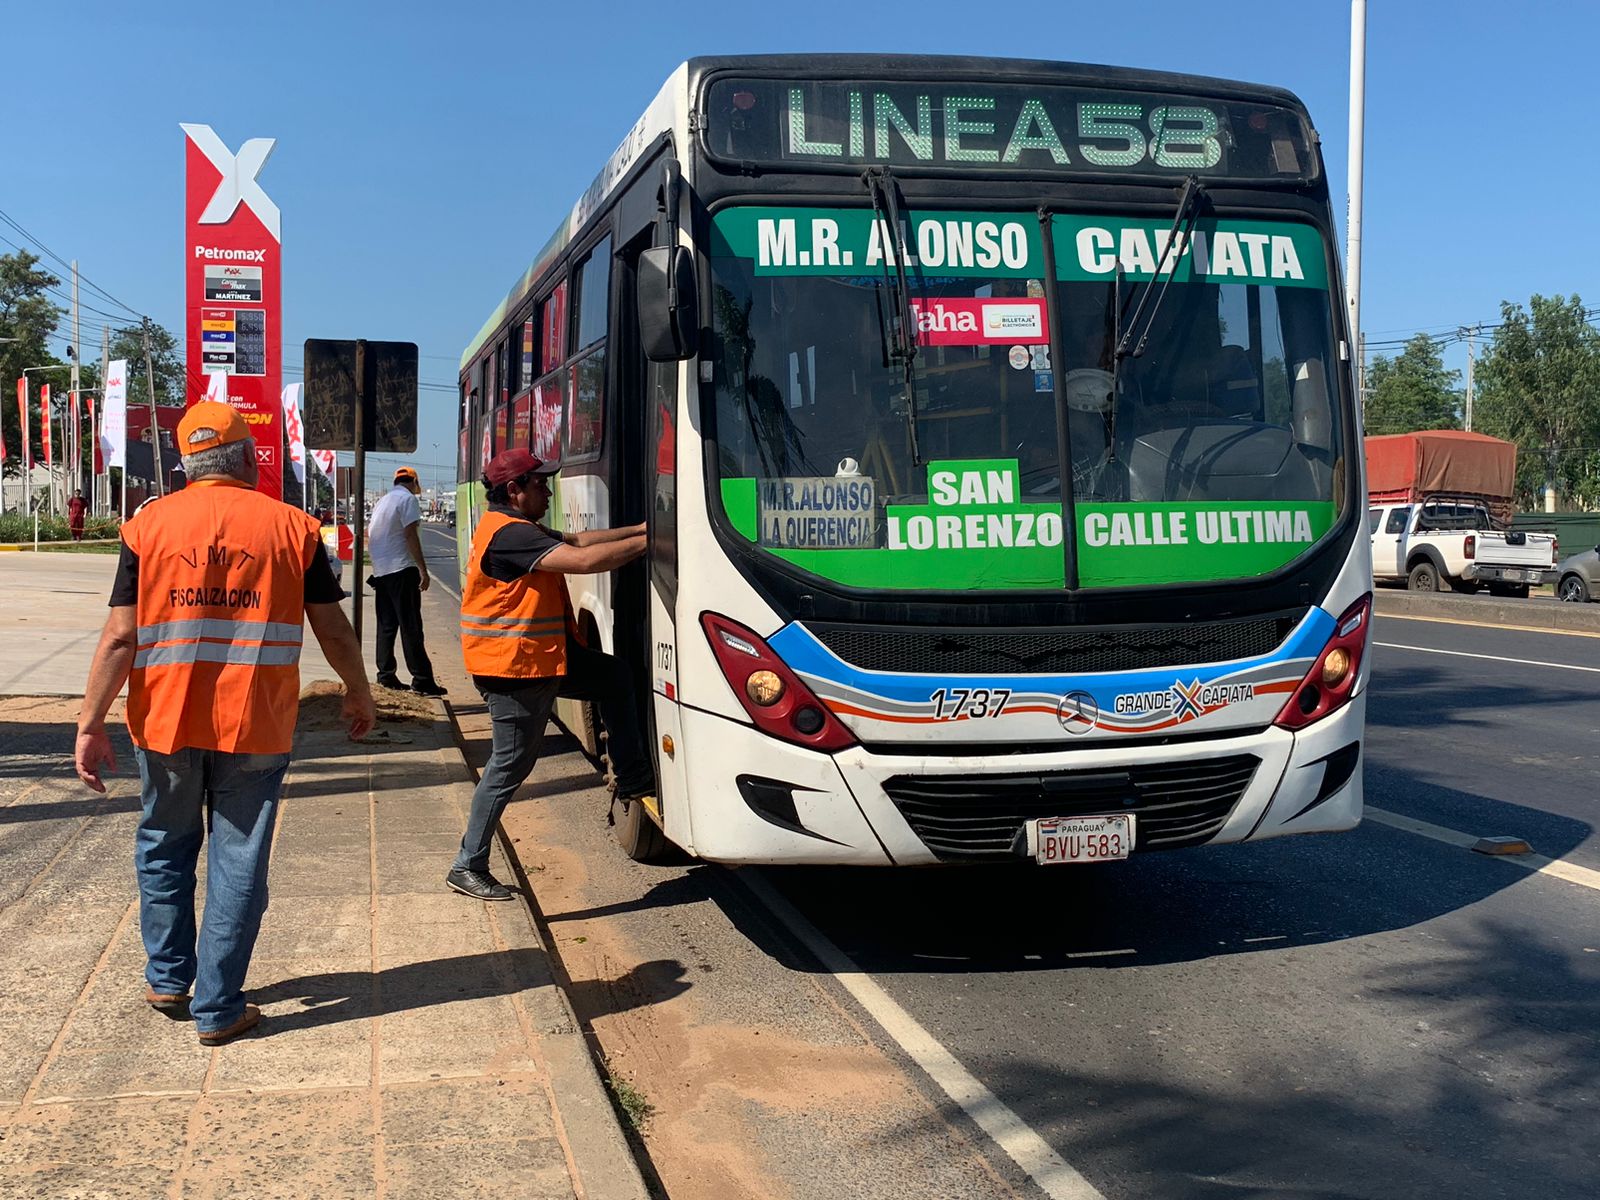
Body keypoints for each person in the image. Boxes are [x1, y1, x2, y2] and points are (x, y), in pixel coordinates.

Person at [73, 401, 376, 1045]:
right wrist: (358, 691)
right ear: (247, 458)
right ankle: (217, 1009)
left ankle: (167, 978)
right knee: (238, 860)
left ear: (186, 465)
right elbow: (332, 627)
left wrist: (89, 722)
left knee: (164, 843)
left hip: (165, 719)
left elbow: (121, 636)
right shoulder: (293, 529)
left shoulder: (146, 527)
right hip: (255, 723)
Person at [448, 448, 652, 901]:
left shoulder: (521, 527)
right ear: (514, 490)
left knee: (614, 677)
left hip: (544, 658)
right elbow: (581, 562)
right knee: (508, 767)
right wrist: (651, 544)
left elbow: (579, 542)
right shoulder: (509, 536)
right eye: (539, 483)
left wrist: (645, 529)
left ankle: (633, 776)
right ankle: (467, 865)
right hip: (515, 669)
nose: (548, 488)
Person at [368, 466, 446, 696]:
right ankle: (422, 679)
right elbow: (410, 535)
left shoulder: (383, 501)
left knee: (386, 626)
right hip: (402, 569)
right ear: (413, 483)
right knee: (411, 626)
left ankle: (386, 675)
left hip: (381, 571)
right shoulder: (408, 500)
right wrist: (423, 570)